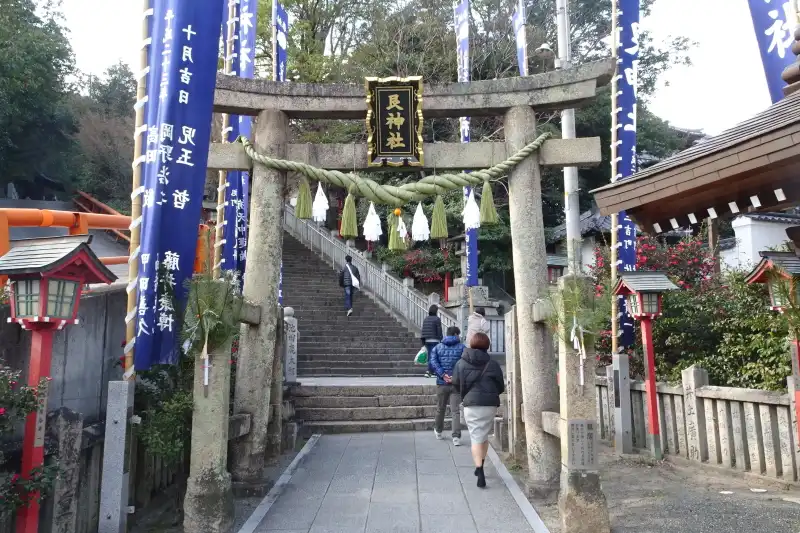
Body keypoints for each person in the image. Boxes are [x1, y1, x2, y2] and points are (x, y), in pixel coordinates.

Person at [452, 332, 504, 488]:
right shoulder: (493, 364)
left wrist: (464, 394)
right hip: (489, 404)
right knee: (483, 435)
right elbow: (501, 386)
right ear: (487, 345)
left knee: (475, 436)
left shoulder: (461, 363)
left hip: (471, 404)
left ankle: (479, 469)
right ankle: (481, 462)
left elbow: (455, 383)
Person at [430, 326, 465, 446]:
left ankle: (438, 431)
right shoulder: (462, 347)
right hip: (456, 383)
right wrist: (455, 376)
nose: (458, 337)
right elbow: (465, 363)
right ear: (455, 334)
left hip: (441, 383)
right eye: (458, 334)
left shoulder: (437, 347)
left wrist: (443, 375)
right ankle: (456, 437)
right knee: (455, 411)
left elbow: (433, 362)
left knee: (441, 408)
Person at [420, 305, 442, 378]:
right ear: (436, 311)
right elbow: (439, 330)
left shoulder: (426, 319)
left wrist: (423, 341)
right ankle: (429, 372)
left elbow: (423, 330)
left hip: (427, 340)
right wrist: (441, 339)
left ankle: (431, 371)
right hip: (434, 340)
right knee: (433, 357)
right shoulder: (437, 319)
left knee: (430, 356)